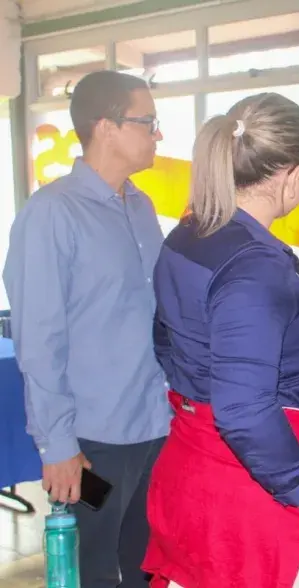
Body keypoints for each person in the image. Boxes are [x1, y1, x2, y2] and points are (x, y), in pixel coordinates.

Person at [141, 93, 299, 588]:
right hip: (256, 493)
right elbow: (243, 411)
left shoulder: (189, 234)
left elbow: (165, 338)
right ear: (294, 175)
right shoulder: (254, 267)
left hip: (195, 460)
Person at [3, 70, 168, 588]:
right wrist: (57, 446)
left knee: (146, 563)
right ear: (106, 127)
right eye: (148, 122)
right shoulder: (52, 214)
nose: (158, 134)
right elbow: (39, 340)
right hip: (93, 441)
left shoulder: (140, 206)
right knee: (95, 569)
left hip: (154, 425)